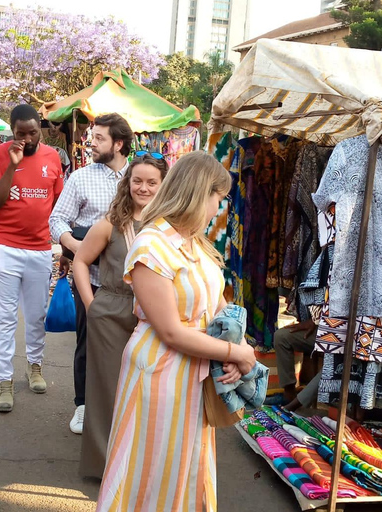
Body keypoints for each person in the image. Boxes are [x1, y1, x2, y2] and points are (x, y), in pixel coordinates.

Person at [96, 152, 257, 511]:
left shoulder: (194, 242)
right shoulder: (151, 245)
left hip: (195, 371)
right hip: (162, 375)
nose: (219, 209)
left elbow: (217, 307)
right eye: (218, 199)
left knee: (186, 464)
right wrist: (237, 354)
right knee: (151, 469)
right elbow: (170, 331)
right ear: (200, 193)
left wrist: (236, 344)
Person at [73, 153, 169, 479]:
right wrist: (91, 305)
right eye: (137, 180)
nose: (143, 188)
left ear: (163, 185)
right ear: (127, 183)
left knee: (148, 391)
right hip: (111, 313)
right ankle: (105, 469)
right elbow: (80, 261)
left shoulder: (169, 225)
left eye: (151, 182)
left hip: (154, 317)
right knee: (107, 392)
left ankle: (140, 466)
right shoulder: (111, 224)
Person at [49, 113, 133, 434]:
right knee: (88, 342)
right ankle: (83, 406)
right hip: (91, 280)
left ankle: (120, 405)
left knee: (128, 345)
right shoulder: (80, 178)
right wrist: (77, 247)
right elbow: (57, 221)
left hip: (131, 283)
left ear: (119, 143)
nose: (91, 143)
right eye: (91, 136)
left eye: (99, 138)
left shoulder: (137, 179)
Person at [0, 104, 64, 412]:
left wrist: (63, 247)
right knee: (4, 319)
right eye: (21, 133)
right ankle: (4, 382)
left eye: (33, 132)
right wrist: (11, 167)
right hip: (4, 247)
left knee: (36, 315)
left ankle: (35, 366)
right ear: (12, 130)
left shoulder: (53, 157)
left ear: (40, 129)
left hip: (40, 249)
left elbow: (58, 205)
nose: (28, 139)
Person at [270, 320, 321, 411]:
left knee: (334, 363)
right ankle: (289, 395)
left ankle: (296, 404)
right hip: (323, 329)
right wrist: (313, 320)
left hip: (346, 336)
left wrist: (314, 321)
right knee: (281, 336)